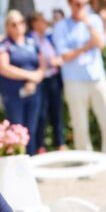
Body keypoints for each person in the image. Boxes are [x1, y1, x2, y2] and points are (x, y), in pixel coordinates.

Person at [52, 0, 106, 153]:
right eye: (77, 4)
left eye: (84, 3)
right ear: (70, 4)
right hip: (75, 80)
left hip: (96, 77)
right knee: (80, 126)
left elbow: (102, 44)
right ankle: (85, 164)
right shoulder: (61, 26)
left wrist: (87, 24)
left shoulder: (93, 20)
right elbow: (65, 55)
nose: (81, 7)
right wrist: (86, 46)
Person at [0, 10, 43, 155]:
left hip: (33, 92)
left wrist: (35, 79)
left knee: (31, 130)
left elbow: (42, 65)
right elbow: (3, 67)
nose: (18, 26)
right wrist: (29, 76)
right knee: (17, 130)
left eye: (21, 22)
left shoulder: (32, 42)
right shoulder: (4, 45)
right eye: (13, 24)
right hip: (13, 94)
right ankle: (18, 164)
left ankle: (31, 162)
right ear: (7, 27)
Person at [28, 11, 65, 153]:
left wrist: (55, 61)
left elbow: (58, 56)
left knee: (56, 112)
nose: (45, 23)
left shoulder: (50, 37)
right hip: (40, 80)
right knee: (41, 114)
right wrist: (48, 62)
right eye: (41, 21)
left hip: (53, 79)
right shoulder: (30, 39)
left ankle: (60, 143)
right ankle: (40, 145)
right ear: (34, 23)